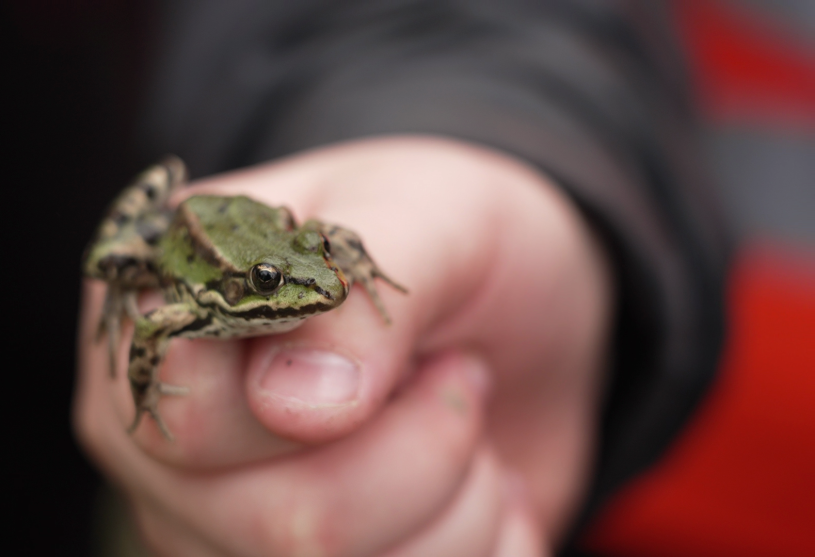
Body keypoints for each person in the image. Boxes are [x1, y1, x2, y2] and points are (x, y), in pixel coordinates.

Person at [74, 1, 728, 555]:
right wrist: (148, 396)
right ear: (252, 286)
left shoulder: (309, 265)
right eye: (276, 282)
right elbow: (154, 323)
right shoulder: (204, 303)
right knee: (111, 263)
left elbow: (333, 236)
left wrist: (380, 248)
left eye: (322, 268)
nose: (323, 289)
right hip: (195, 234)